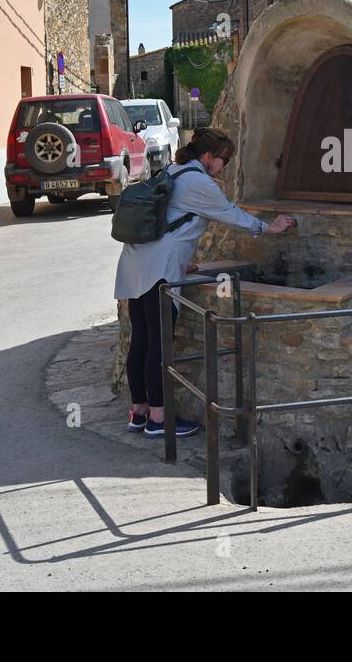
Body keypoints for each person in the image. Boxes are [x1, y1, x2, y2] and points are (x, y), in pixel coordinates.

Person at [115, 128, 296, 438]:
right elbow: (230, 214)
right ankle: (159, 419)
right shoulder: (198, 181)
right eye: (224, 160)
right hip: (160, 269)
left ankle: (140, 412)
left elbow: (172, 220)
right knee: (159, 346)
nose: (225, 166)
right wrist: (270, 228)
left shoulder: (174, 170)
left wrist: (186, 263)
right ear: (208, 157)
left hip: (136, 262)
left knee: (142, 340)